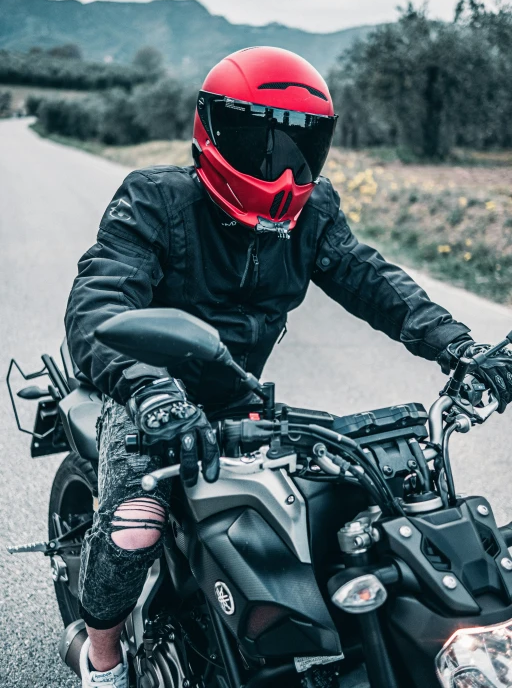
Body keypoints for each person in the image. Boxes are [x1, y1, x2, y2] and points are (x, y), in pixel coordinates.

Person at [65, 46, 512, 687]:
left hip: (239, 397)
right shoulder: (152, 201)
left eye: (301, 147)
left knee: (351, 510)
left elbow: (371, 280)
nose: (282, 168)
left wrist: (461, 347)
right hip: (145, 395)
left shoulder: (313, 211)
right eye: (260, 143)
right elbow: (98, 306)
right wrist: (147, 390)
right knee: (136, 523)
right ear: (213, 131)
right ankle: (101, 664)